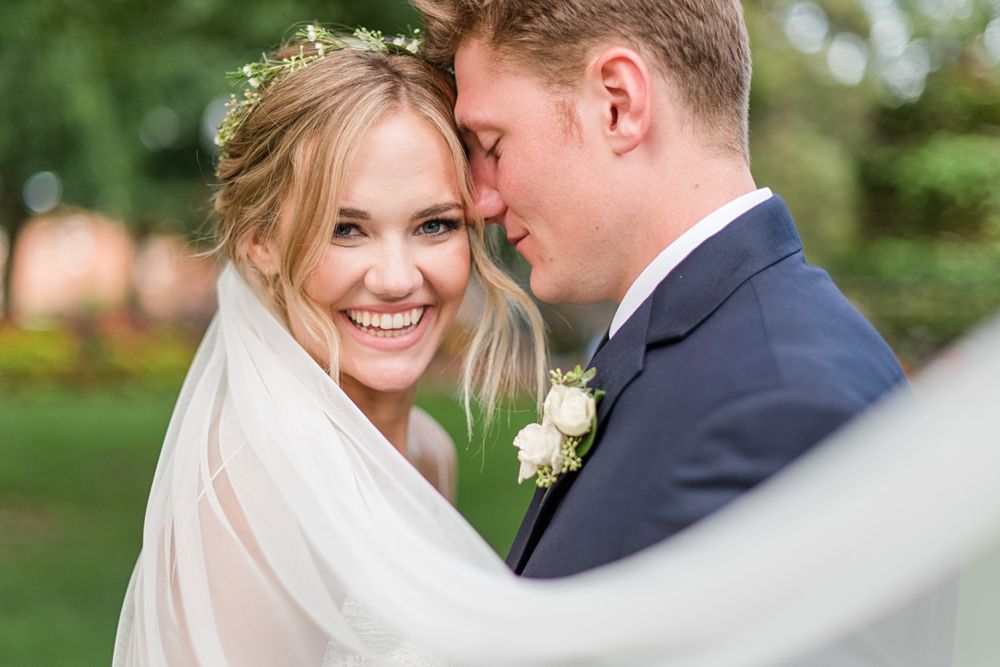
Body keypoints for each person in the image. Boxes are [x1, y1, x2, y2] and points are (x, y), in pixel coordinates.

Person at [413, 0, 910, 578]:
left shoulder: (776, 408)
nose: (480, 201)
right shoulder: (711, 344)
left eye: (493, 145)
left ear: (618, 104)